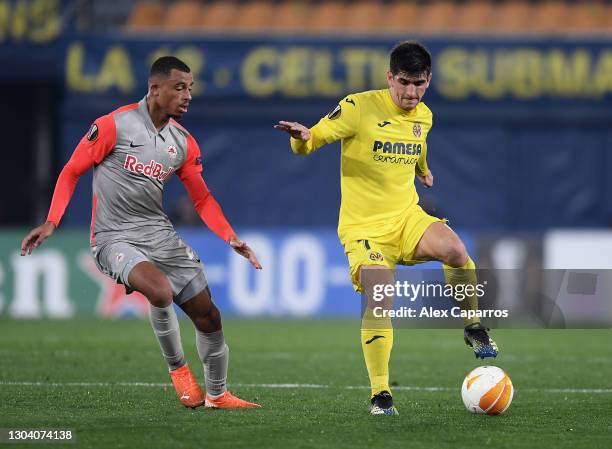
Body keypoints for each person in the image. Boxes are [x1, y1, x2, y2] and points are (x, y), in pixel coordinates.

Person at [21, 56, 261, 410]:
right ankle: (178, 370)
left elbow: (202, 198)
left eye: (190, 88)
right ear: (155, 89)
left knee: (208, 314)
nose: (187, 96)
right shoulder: (114, 126)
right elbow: (71, 171)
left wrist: (230, 237)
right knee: (159, 291)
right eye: (179, 87)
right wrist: (52, 221)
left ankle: (217, 394)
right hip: (113, 237)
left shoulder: (182, 143)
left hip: (158, 234)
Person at [275, 41, 498, 416]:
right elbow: (314, 138)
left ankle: (473, 326)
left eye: (420, 84)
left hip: (406, 218)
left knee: (457, 252)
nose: (411, 93)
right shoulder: (357, 107)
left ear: (429, 80)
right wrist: (302, 138)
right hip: (364, 228)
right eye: (405, 83)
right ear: (389, 77)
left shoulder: (424, 115)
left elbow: (417, 143)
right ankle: (381, 394)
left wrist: (422, 169)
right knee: (380, 294)